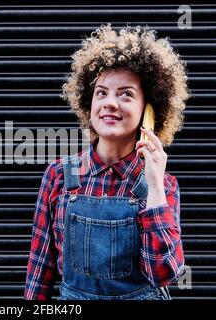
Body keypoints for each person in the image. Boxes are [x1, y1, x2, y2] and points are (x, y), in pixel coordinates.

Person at [24, 24, 190, 300]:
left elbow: (163, 273)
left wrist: (154, 187)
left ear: (149, 110)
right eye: (101, 92)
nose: (110, 103)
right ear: (88, 105)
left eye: (126, 94)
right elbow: (39, 270)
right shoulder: (58, 176)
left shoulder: (163, 185)